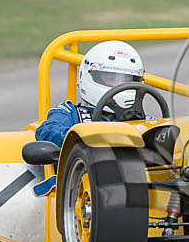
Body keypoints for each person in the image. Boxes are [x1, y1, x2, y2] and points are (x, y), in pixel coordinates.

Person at [33, 40, 149, 196]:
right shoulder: (70, 112)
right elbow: (47, 131)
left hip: (141, 191)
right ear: (90, 76)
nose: (119, 86)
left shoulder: (141, 119)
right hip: (82, 194)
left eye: (126, 80)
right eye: (111, 79)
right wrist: (85, 141)